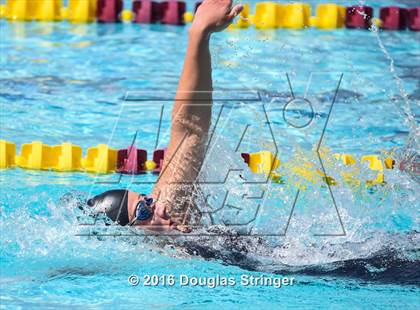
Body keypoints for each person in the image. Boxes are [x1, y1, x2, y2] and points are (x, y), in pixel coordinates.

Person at [86, 1, 244, 233]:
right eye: (143, 212)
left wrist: (200, 33)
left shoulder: (169, 209)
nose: (158, 208)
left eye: (147, 203)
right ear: (129, 233)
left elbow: (189, 129)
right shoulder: (155, 246)